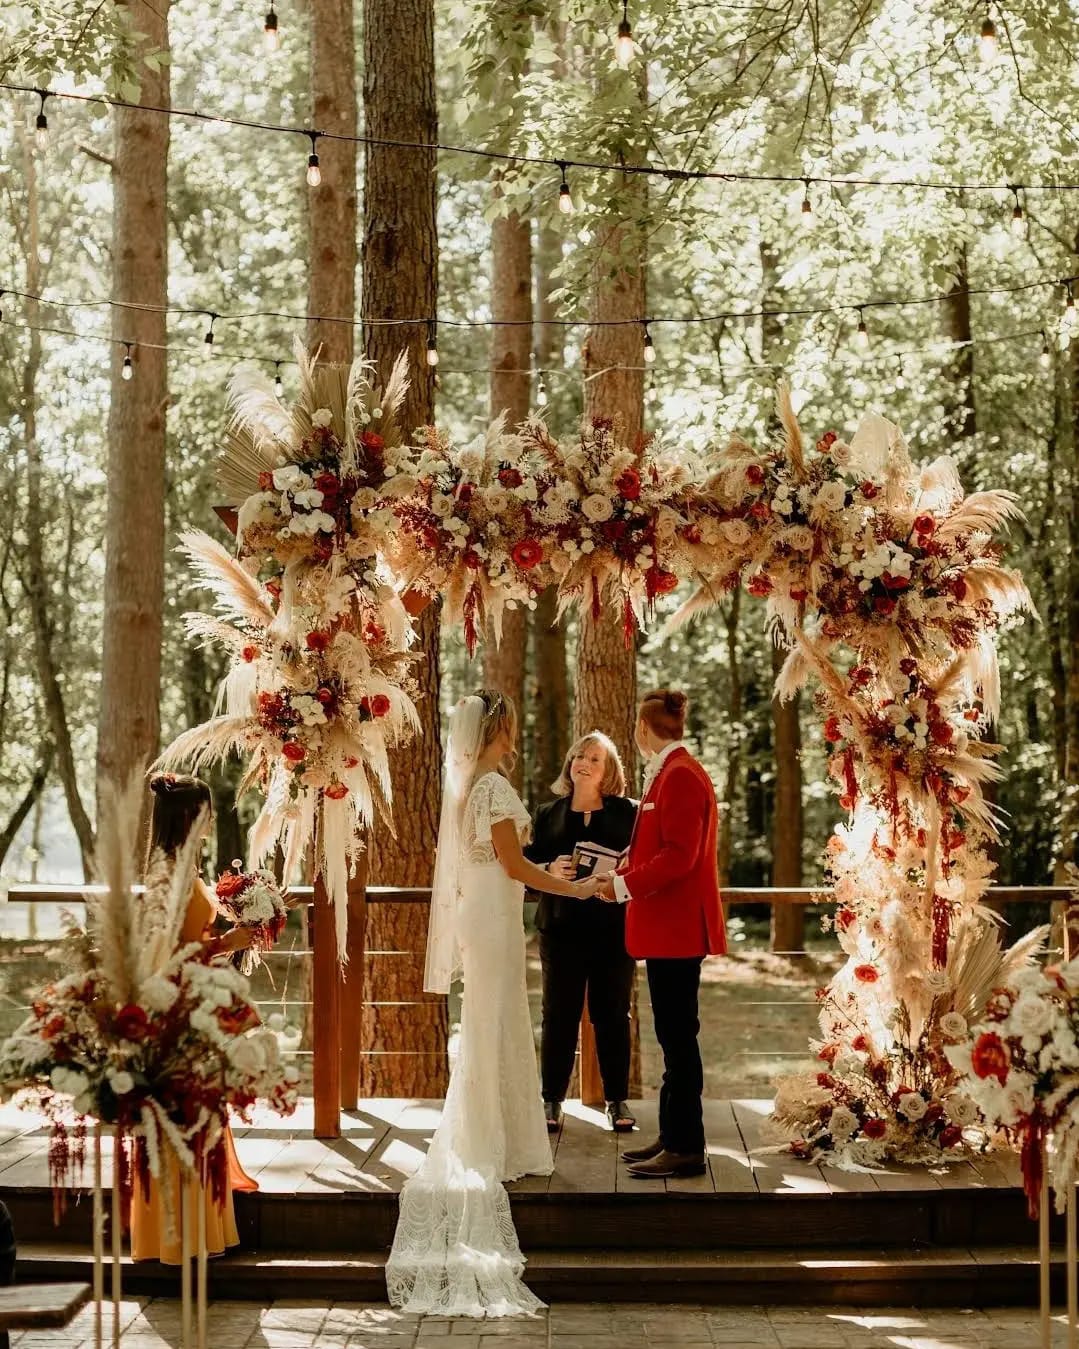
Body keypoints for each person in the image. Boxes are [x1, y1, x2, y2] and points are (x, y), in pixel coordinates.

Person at [387, 690, 599, 1317]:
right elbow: (513, 866)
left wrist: (545, 866)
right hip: (494, 915)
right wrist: (572, 885)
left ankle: (501, 1134)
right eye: (512, 724)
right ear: (500, 728)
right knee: (495, 1021)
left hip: (485, 912)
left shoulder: (471, 787)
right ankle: (491, 1140)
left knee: (494, 1020)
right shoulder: (493, 788)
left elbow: (502, 860)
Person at [597, 689, 726, 1180]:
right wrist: (626, 865)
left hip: (678, 929)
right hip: (665, 929)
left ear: (643, 729)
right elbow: (659, 844)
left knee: (678, 1039)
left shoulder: (681, 777)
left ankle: (687, 1146)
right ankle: (673, 1135)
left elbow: (680, 856)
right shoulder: (670, 773)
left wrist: (623, 886)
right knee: (672, 1037)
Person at [130, 772, 258, 1263]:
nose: (210, 821)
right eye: (203, 811)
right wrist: (228, 943)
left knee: (198, 1114)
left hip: (193, 1005)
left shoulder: (185, 867)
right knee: (182, 1117)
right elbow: (169, 955)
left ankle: (195, 1227)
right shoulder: (169, 875)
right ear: (188, 816)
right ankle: (177, 1234)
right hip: (177, 1011)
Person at [525, 731, 637, 1134]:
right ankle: (552, 1101)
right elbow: (521, 871)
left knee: (613, 1015)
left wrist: (620, 875)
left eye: (594, 758)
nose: (583, 763)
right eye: (578, 756)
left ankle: (617, 1100)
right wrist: (547, 872)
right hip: (560, 930)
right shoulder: (546, 814)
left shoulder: (630, 813)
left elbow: (644, 864)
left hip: (614, 931)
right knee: (558, 1015)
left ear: (608, 771)